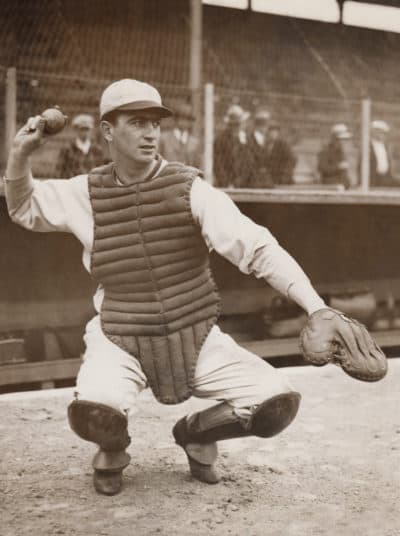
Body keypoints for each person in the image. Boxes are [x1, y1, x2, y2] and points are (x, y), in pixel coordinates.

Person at [4, 79, 386, 497]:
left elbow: (257, 247)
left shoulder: (191, 188)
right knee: (92, 412)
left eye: (155, 123)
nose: (151, 133)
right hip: (121, 336)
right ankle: (114, 448)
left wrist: (316, 308)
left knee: (276, 403)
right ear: (108, 130)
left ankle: (196, 434)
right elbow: (24, 207)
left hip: (195, 336)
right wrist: (20, 156)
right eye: (137, 122)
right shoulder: (86, 191)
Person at [213, 104, 252, 187]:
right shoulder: (221, 139)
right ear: (229, 125)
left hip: (244, 183)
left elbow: (248, 162)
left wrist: (242, 181)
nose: (235, 127)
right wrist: (226, 183)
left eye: (238, 124)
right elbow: (218, 164)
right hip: (226, 183)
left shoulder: (245, 139)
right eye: (233, 125)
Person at [57, 113, 105, 178]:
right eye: (82, 129)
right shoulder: (68, 149)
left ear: (91, 130)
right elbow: (60, 170)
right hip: (73, 183)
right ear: (76, 130)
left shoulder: (96, 149)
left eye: (87, 129)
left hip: (91, 183)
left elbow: (101, 170)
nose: (85, 132)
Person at [158, 102, 201, 167]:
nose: (185, 123)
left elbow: (197, 165)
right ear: (176, 120)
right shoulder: (163, 138)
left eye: (188, 120)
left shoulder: (194, 142)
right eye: (182, 119)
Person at [317, 124, 356, 189]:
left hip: (343, 186)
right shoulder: (325, 151)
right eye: (340, 139)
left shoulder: (341, 151)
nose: (343, 141)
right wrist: (338, 166)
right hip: (331, 186)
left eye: (345, 139)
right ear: (334, 138)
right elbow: (322, 168)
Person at [247, 108, 273, 188]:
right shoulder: (250, 139)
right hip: (253, 176)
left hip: (266, 176)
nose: (265, 127)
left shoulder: (267, 139)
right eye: (262, 124)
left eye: (265, 124)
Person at [266, 120, 297, 186]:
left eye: (275, 132)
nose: (272, 134)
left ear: (278, 133)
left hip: (282, 178)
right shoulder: (266, 144)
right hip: (270, 178)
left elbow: (292, 160)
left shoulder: (283, 145)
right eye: (271, 132)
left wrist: (285, 175)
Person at [369, 120, 396, 187]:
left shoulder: (385, 146)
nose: (383, 135)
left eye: (384, 133)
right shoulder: (368, 147)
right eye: (381, 133)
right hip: (373, 179)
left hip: (385, 178)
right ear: (374, 132)